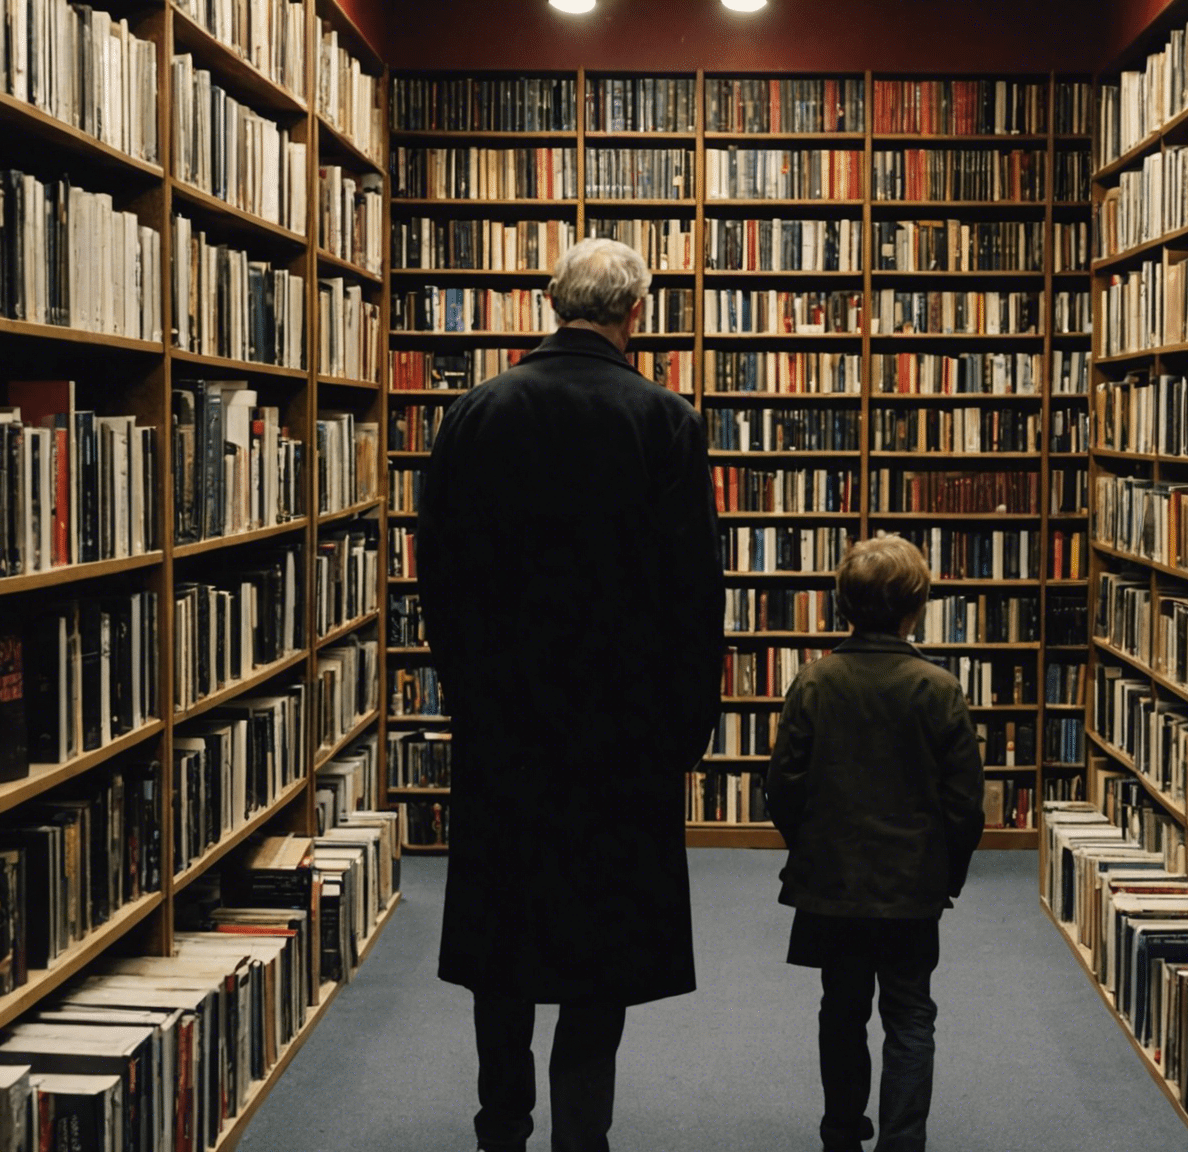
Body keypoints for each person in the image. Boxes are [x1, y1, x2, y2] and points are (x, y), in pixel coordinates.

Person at [421, 237, 724, 1152]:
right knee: (602, 948)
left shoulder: (475, 413)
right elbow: (692, 591)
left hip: (505, 730)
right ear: (637, 314)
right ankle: (580, 1134)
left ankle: (501, 1124)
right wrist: (684, 727)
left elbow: (438, 574)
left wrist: (471, 693)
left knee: (503, 944)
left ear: (554, 304)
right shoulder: (665, 420)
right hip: (621, 737)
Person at [765, 535, 986, 1152]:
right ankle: (902, 1140)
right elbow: (966, 804)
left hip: (832, 882)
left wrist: (808, 847)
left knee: (841, 1007)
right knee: (911, 1013)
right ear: (917, 609)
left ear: (843, 606)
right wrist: (946, 874)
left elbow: (781, 785)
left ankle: (840, 1131)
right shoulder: (937, 687)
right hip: (911, 886)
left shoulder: (814, 682)